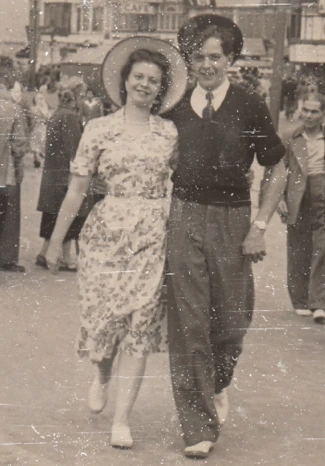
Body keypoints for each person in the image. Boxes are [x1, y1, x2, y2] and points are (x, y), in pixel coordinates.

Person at [44, 38, 187, 449]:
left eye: (153, 80)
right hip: (105, 237)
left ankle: (122, 420)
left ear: (161, 88)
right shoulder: (98, 129)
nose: (144, 84)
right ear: (124, 81)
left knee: (140, 327)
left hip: (152, 237)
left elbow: (183, 184)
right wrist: (55, 243)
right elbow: (75, 191)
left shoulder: (170, 133)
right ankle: (102, 373)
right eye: (138, 77)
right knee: (103, 325)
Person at [164, 15, 287, 459]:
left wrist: (260, 226)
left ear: (231, 59)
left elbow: (278, 165)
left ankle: (216, 382)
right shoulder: (173, 102)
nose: (206, 65)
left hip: (234, 218)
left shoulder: (249, 105)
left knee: (232, 323)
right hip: (183, 215)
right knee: (188, 321)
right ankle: (197, 425)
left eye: (215, 56)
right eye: (198, 56)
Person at [278, 92, 325, 324]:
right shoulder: (291, 136)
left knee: (323, 246)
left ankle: (318, 303)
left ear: (324, 114)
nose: (308, 116)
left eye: (314, 111)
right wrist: (279, 197)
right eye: (306, 110)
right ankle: (300, 300)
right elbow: (278, 169)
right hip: (297, 192)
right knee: (298, 246)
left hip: (324, 191)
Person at [36, 89, 91, 272]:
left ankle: (45, 253)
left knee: (53, 214)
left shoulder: (57, 114)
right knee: (68, 214)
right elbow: (75, 148)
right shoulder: (69, 118)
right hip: (64, 174)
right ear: (75, 99)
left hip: (53, 172)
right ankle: (66, 258)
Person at [0, 83, 29, 273]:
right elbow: (19, 142)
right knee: (9, 214)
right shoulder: (13, 109)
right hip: (5, 171)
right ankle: (7, 257)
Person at [29, 93, 52, 168]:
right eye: (39, 99)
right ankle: (36, 158)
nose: (41, 100)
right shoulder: (34, 108)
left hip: (44, 127)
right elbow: (45, 116)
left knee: (43, 142)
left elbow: (48, 117)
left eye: (42, 98)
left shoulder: (44, 108)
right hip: (37, 126)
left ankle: (40, 157)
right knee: (36, 142)